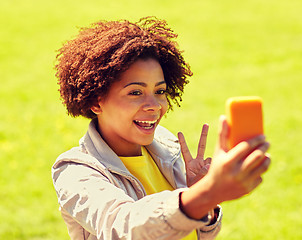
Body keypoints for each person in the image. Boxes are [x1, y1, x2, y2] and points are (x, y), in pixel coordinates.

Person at [51, 16, 271, 240]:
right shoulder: (74, 171)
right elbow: (122, 227)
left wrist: (205, 203)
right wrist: (205, 194)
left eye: (160, 91)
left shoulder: (166, 146)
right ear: (96, 101)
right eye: (135, 92)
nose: (155, 106)